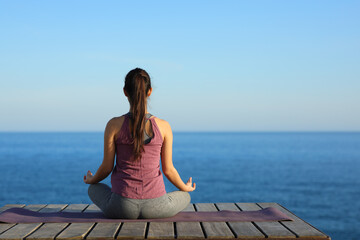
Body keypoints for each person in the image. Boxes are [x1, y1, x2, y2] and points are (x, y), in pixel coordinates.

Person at [83, 68, 196, 219]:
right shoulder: (164, 126)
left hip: (122, 207)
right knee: (186, 196)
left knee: (93, 188)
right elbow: (168, 170)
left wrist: (92, 179)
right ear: (149, 91)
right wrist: (185, 187)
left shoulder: (114, 125)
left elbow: (107, 167)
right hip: (157, 207)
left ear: (125, 92)